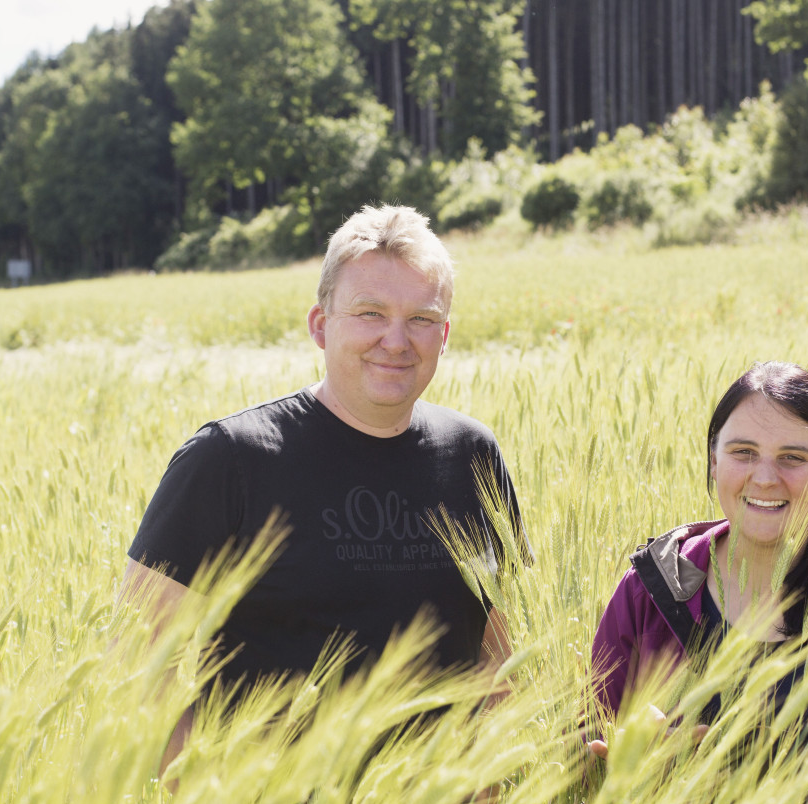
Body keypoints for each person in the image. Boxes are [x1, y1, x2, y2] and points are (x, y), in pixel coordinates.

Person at [122, 204, 523, 773]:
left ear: (445, 334)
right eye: (370, 313)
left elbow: (494, 655)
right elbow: (138, 663)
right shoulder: (229, 460)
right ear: (319, 324)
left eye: (422, 319)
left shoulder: (474, 455)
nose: (396, 340)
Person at [589, 361, 808, 753]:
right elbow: (586, 737)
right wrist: (634, 763)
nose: (765, 478)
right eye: (744, 452)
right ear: (714, 461)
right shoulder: (650, 590)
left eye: (793, 458)